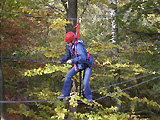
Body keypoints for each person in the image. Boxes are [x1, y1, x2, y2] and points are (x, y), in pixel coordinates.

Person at [57, 32, 93, 103]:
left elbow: (83, 58)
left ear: (72, 41)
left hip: (86, 65)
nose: (67, 44)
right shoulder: (71, 47)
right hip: (79, 64)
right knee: (68, 76)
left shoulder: (79, 46)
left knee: (85, 82)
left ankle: (89, 98)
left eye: (68, 43)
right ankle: (65, 94)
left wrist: (72, 60)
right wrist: (61, 61)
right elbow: (68, 55)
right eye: (67, 43)